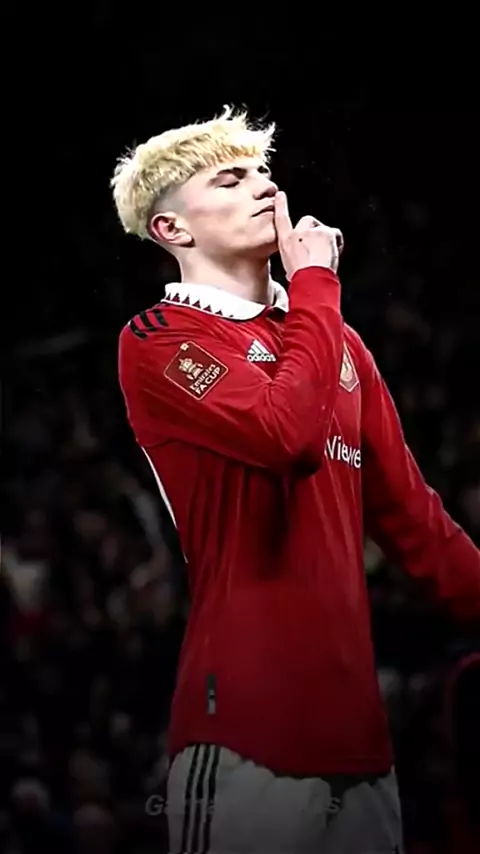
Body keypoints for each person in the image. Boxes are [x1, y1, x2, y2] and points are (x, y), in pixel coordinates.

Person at [112, 108, 480, 854]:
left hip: (361, 740)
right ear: (173, 229)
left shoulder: (339, 342)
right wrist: (313, 280)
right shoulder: (158, 341)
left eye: (263, 173)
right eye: (230, 180)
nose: (264, 188)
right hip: (243, 729)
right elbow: (289, 436)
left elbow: (416, 522)